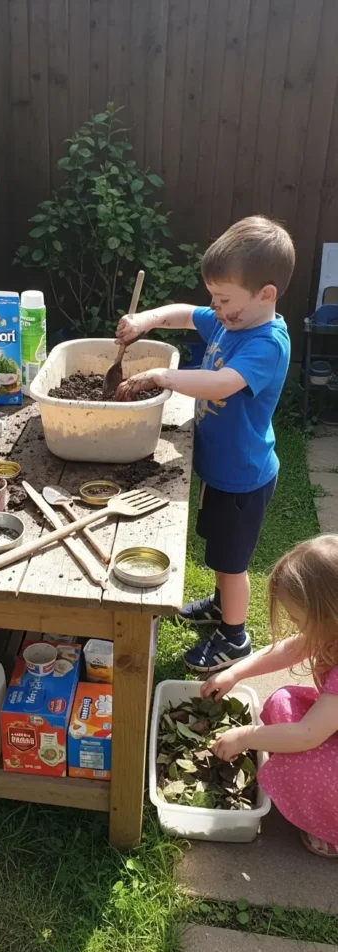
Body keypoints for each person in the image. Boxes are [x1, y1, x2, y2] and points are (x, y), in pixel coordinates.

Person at [116, 216, 295, 672]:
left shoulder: (266, 343)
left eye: (224, 299)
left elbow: (220, 384)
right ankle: (220, 607)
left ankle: (235, 638)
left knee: (233, 563)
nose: (215, 309)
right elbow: (181, 313)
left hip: (244, 477)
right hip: (222, 470)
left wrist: (161, 376)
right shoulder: (229, 321)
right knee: (218, 549)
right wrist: (146, 321)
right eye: (213, 298)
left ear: (266, 294)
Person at [200, 535, 338, 859]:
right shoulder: (330, 627)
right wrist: (236, 672)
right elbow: (291, 649)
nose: (293, 625)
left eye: (296, 619)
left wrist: (246, 736)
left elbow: (308, 734)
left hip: (320, 731)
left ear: (328, 614)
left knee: (299, 769)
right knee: (281, 702)